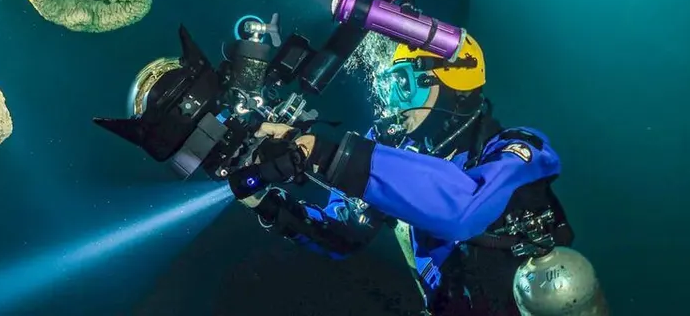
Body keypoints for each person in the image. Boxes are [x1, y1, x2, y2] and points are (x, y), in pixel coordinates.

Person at [233, 34, 589, 316]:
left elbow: (462, 210)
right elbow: (344, 233)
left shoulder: (518, 149)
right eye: (387, 86)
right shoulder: (402, 157)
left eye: (403, 85)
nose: (393, 102)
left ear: (452, 82)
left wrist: (326, 153)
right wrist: (264, 201)